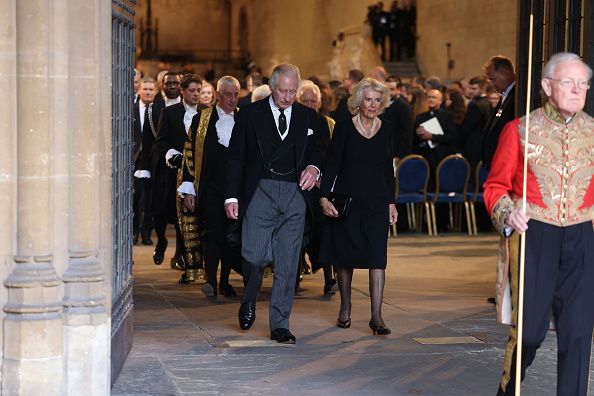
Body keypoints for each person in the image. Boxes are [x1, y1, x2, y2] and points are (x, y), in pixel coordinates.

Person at [484, 52, 594, 396]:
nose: (577, 90)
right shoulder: (520, 130)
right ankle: (508, 387)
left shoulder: (593, 131)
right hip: (535, 234)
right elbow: (495, 186)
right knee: (530, 333)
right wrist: (508, 212)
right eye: (568, 82)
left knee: (577, 335)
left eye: (583, 83)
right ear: (547, 86)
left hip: (581, 237)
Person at [224, 64, 322, 344]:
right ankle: (250, 297)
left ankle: (280, 324)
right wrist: (231, 196)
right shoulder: (250, 114)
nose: (288, 97)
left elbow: (315, 152)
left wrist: (314, 169)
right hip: (260, 192)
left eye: (293, 92)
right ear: (272, 86)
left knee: (289, 264)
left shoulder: (307, 116)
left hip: (295, 195)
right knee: (254, 257)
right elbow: (235, 157)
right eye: (283, 91)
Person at [318, 77, 398, 336]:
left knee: (378, 257)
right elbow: (331, 165)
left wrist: (391, 202)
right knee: (346, 255)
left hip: (376, 201)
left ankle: (376, 316)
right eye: (368, 99)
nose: (373, 104)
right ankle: (345, 307)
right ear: (358, 102)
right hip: (348, 201)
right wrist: (324, 197)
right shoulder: (342, 128)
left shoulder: (387, 128)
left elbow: (388, 170)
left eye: (377, 100)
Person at [178, 76, 243, 298]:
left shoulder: (244, 119)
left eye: (236, 94)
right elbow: (189, 152)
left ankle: (225, 282)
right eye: (228, 94)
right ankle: (211, 280)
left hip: (236, 190)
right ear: (218, 95)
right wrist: (189, 187)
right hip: (210, 187)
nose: (233, 99)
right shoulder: (201, 119)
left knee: (230, 237)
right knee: (211, 234)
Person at [154, 73, 206, 279]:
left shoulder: (207, 112)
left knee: (200, 219)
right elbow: (161, 140)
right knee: (182, 219)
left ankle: (199, 264)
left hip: (201, 175)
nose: (196, 94)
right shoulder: (169, 113)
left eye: (198, 91)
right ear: (183, 91)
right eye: (192, 90)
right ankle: (186, 263)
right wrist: (172, 155)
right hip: (177, 174)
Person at [296, 82, 337, 295]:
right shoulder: (291, 120)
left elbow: (333, 156)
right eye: (305, 101)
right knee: (297, 233)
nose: (310, 105)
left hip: (321, 188)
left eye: (313, 101)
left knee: (325, 231)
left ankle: (330, 279)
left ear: (319, 102)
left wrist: (324, 178)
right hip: (297, 187)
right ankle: (294, 278)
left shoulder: (328, 124)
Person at [148, 71, 182, 265]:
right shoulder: (155, 108)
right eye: (168, 83)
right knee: (158, 210)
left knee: (179, 209)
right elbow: (148, 138)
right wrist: (144, 167)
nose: (171, 87)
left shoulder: (186, 108)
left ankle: (178, 253)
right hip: (160, 164)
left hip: (179, 165)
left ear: (180, 86)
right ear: (162, 86)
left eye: (175, 83)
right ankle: (161, 241)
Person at [133, 77, 156, 246]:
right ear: (139, 90)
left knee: (149, 199)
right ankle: (133, 232)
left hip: (151, 159)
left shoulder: (158, 110)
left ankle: (146, 234)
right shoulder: (131, 108)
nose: (148, 92)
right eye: (145, 89)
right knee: (134, 197)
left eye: (151, 89)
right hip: (134, 158)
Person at [482, 55, 516, 170]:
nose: (491, 84)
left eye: (493, 79)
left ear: (506, 74)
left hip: (507, 164)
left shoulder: (517, 97)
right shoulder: (504, 95)